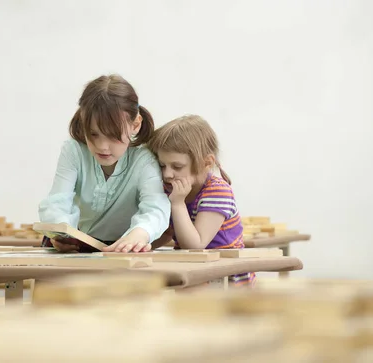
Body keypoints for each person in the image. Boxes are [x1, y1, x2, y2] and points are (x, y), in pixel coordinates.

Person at [38, 74, 171, 253]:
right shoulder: (74, 150)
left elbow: (156, 208)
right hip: (77, 247)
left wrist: (140, 233)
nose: (102, 147)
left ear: (135, 124)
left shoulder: (144, 159)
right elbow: (57, 202)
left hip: (123, 248)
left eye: (113, 136)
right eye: (93, 134)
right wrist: (60, 231)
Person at [148, 114, 255, 286]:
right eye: (162, 165)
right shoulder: (172, 188)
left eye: (177, 166)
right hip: (194, 269)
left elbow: (195, 245)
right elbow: (168, 232)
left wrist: (177, 204)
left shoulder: (217, 191)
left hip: (224, 278)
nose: (167, 174)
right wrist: (143, 244)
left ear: (207, 163)